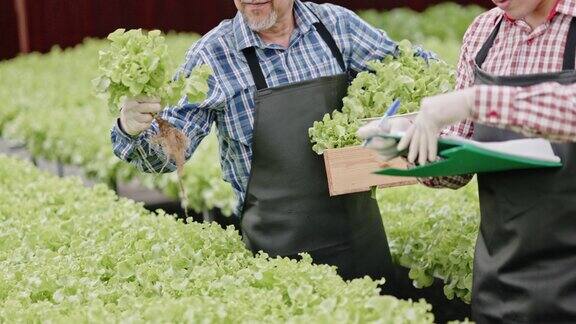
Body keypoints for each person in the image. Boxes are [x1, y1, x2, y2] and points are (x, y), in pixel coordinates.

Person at [111, 0, 433, 293]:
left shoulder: (336, 27)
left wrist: (446, 100)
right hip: (278, 267)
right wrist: (133, 128)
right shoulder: (213, 56)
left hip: (362, 249)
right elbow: (169, 155)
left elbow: (414, 68)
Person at [360, 0, 576, 322]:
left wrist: (475, 101)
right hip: (502, 280)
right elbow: (456, 170)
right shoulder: (483, 32)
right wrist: (412, 146)